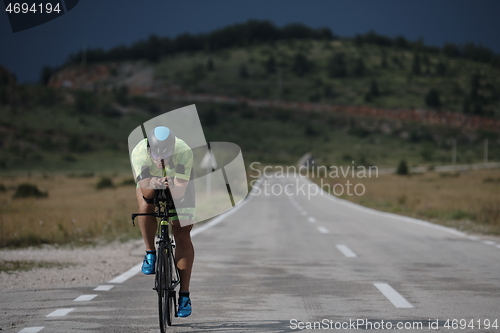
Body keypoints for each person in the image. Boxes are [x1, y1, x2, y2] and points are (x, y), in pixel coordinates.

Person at [130, 126, 194, 318]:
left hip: (180, 184)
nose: (161, 160)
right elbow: (146, 193)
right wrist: (154, 184)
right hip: (149, 183)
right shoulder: (140, 152)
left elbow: (181, 192)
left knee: (182, 233)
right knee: (145, 206)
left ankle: (184, 295)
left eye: (166, 155)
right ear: (150, 150)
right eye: (157, 156)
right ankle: (150, 252)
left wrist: (171, 184)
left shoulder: (183, 152)